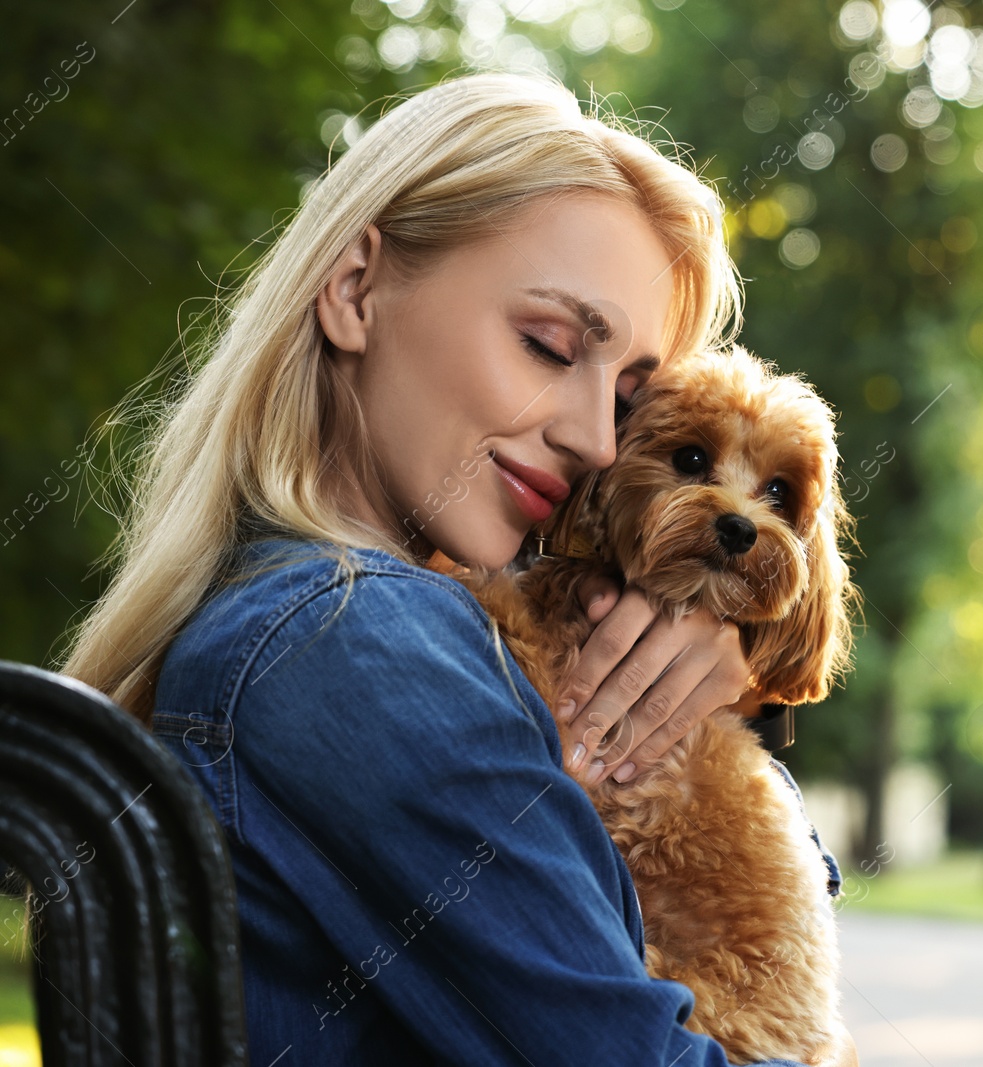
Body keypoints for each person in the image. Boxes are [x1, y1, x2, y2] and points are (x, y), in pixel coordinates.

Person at [62, 73, 856, 1067]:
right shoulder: (350, 639)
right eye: (547, 344)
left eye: (624, 400)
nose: (594, 442)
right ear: (353, 289)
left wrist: (706, 691)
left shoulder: (307, 614)